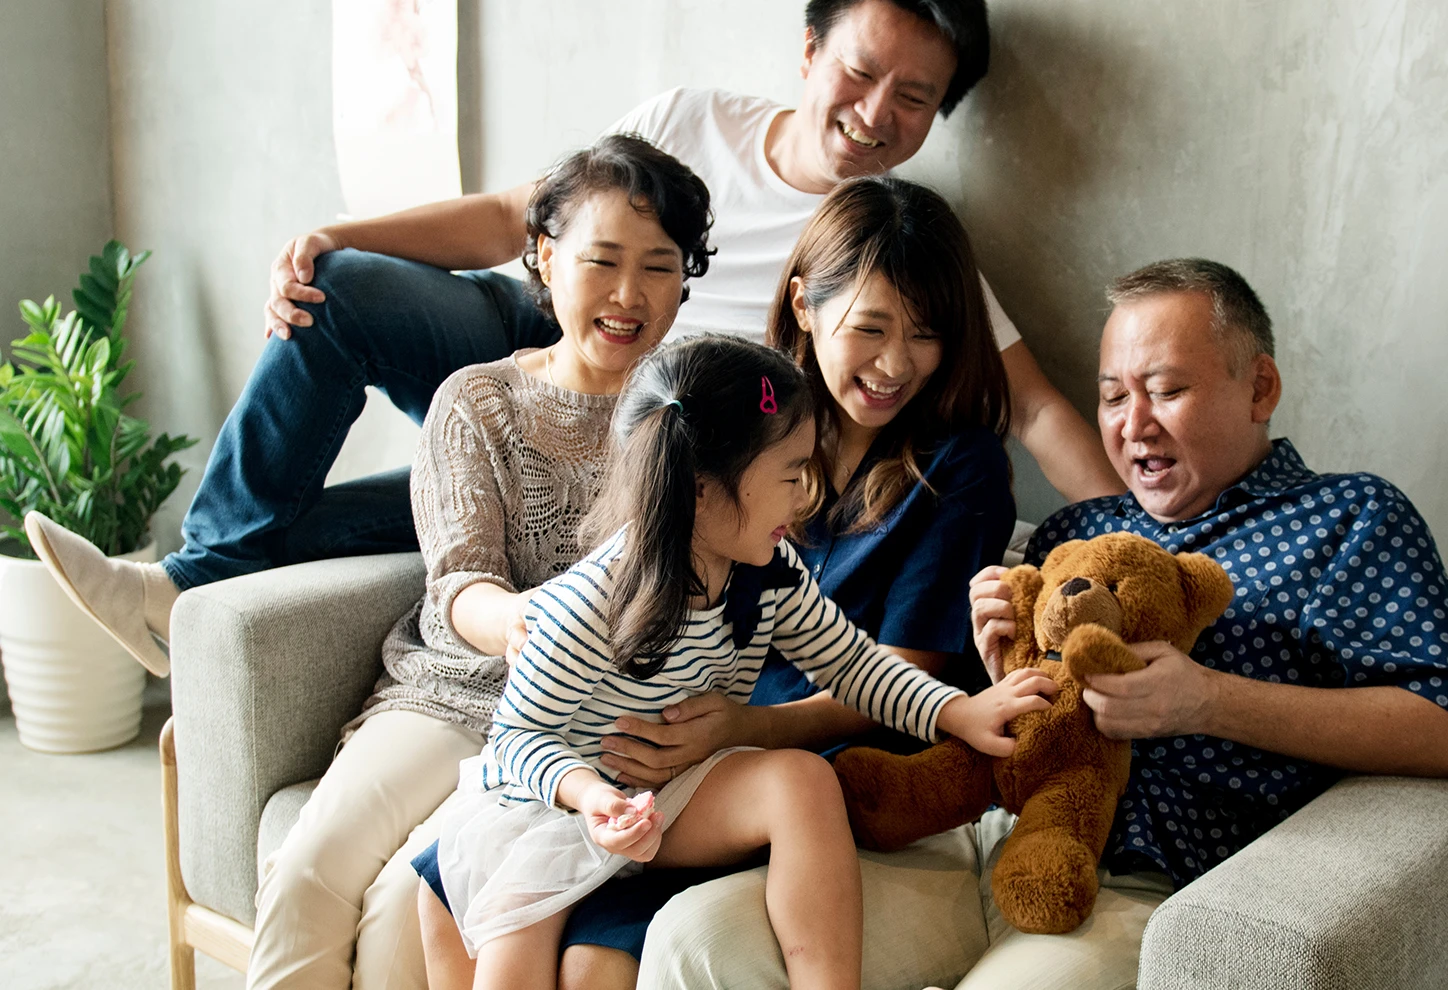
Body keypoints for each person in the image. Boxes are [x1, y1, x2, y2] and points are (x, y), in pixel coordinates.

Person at [26, 0, 1120, 677]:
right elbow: (522, 215)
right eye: (862, 72)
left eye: (914, 99)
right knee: (344, 290)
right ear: (808, 49)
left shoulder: (893, 250)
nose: (877, 112)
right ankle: (194, 573)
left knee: (461, 494)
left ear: (938, 114)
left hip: (629, 428)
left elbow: (1028, 404)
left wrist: (1153, 531)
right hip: (538, 327)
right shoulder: (692, 120)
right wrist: (337, 234)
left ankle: (180, 592)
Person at [640, 259, 1448, 990]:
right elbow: (994, 709)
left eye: (1167, 391)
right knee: (697, 940)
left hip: (1138, 883)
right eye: (1114, 396)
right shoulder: (1073, 531)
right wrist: (998, 673)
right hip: (975, 836)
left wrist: (1207, 700)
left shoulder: (1349, 519)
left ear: (1260, 387)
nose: (1133, 424)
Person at [415, 175, 1021, 990]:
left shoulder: (768, 570)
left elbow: (856, 665)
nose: (806, 499)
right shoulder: (590, 605)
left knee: (803, 785)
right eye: (790, 477)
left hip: (667, 788)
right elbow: (518, 742)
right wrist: (591, 797)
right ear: (703, 492)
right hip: (550, 804)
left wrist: (957, 710)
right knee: (517, 964)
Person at [209, 135, 709, 990]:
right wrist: (518, 621)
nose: (629, 295)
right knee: (305, 872)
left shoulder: (692, 419)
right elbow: (459, 580)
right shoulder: (478, 400)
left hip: (577, 731)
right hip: (447, 693)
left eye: (659, 268)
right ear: (544, 257)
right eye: (602, 261)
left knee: (401, 916)